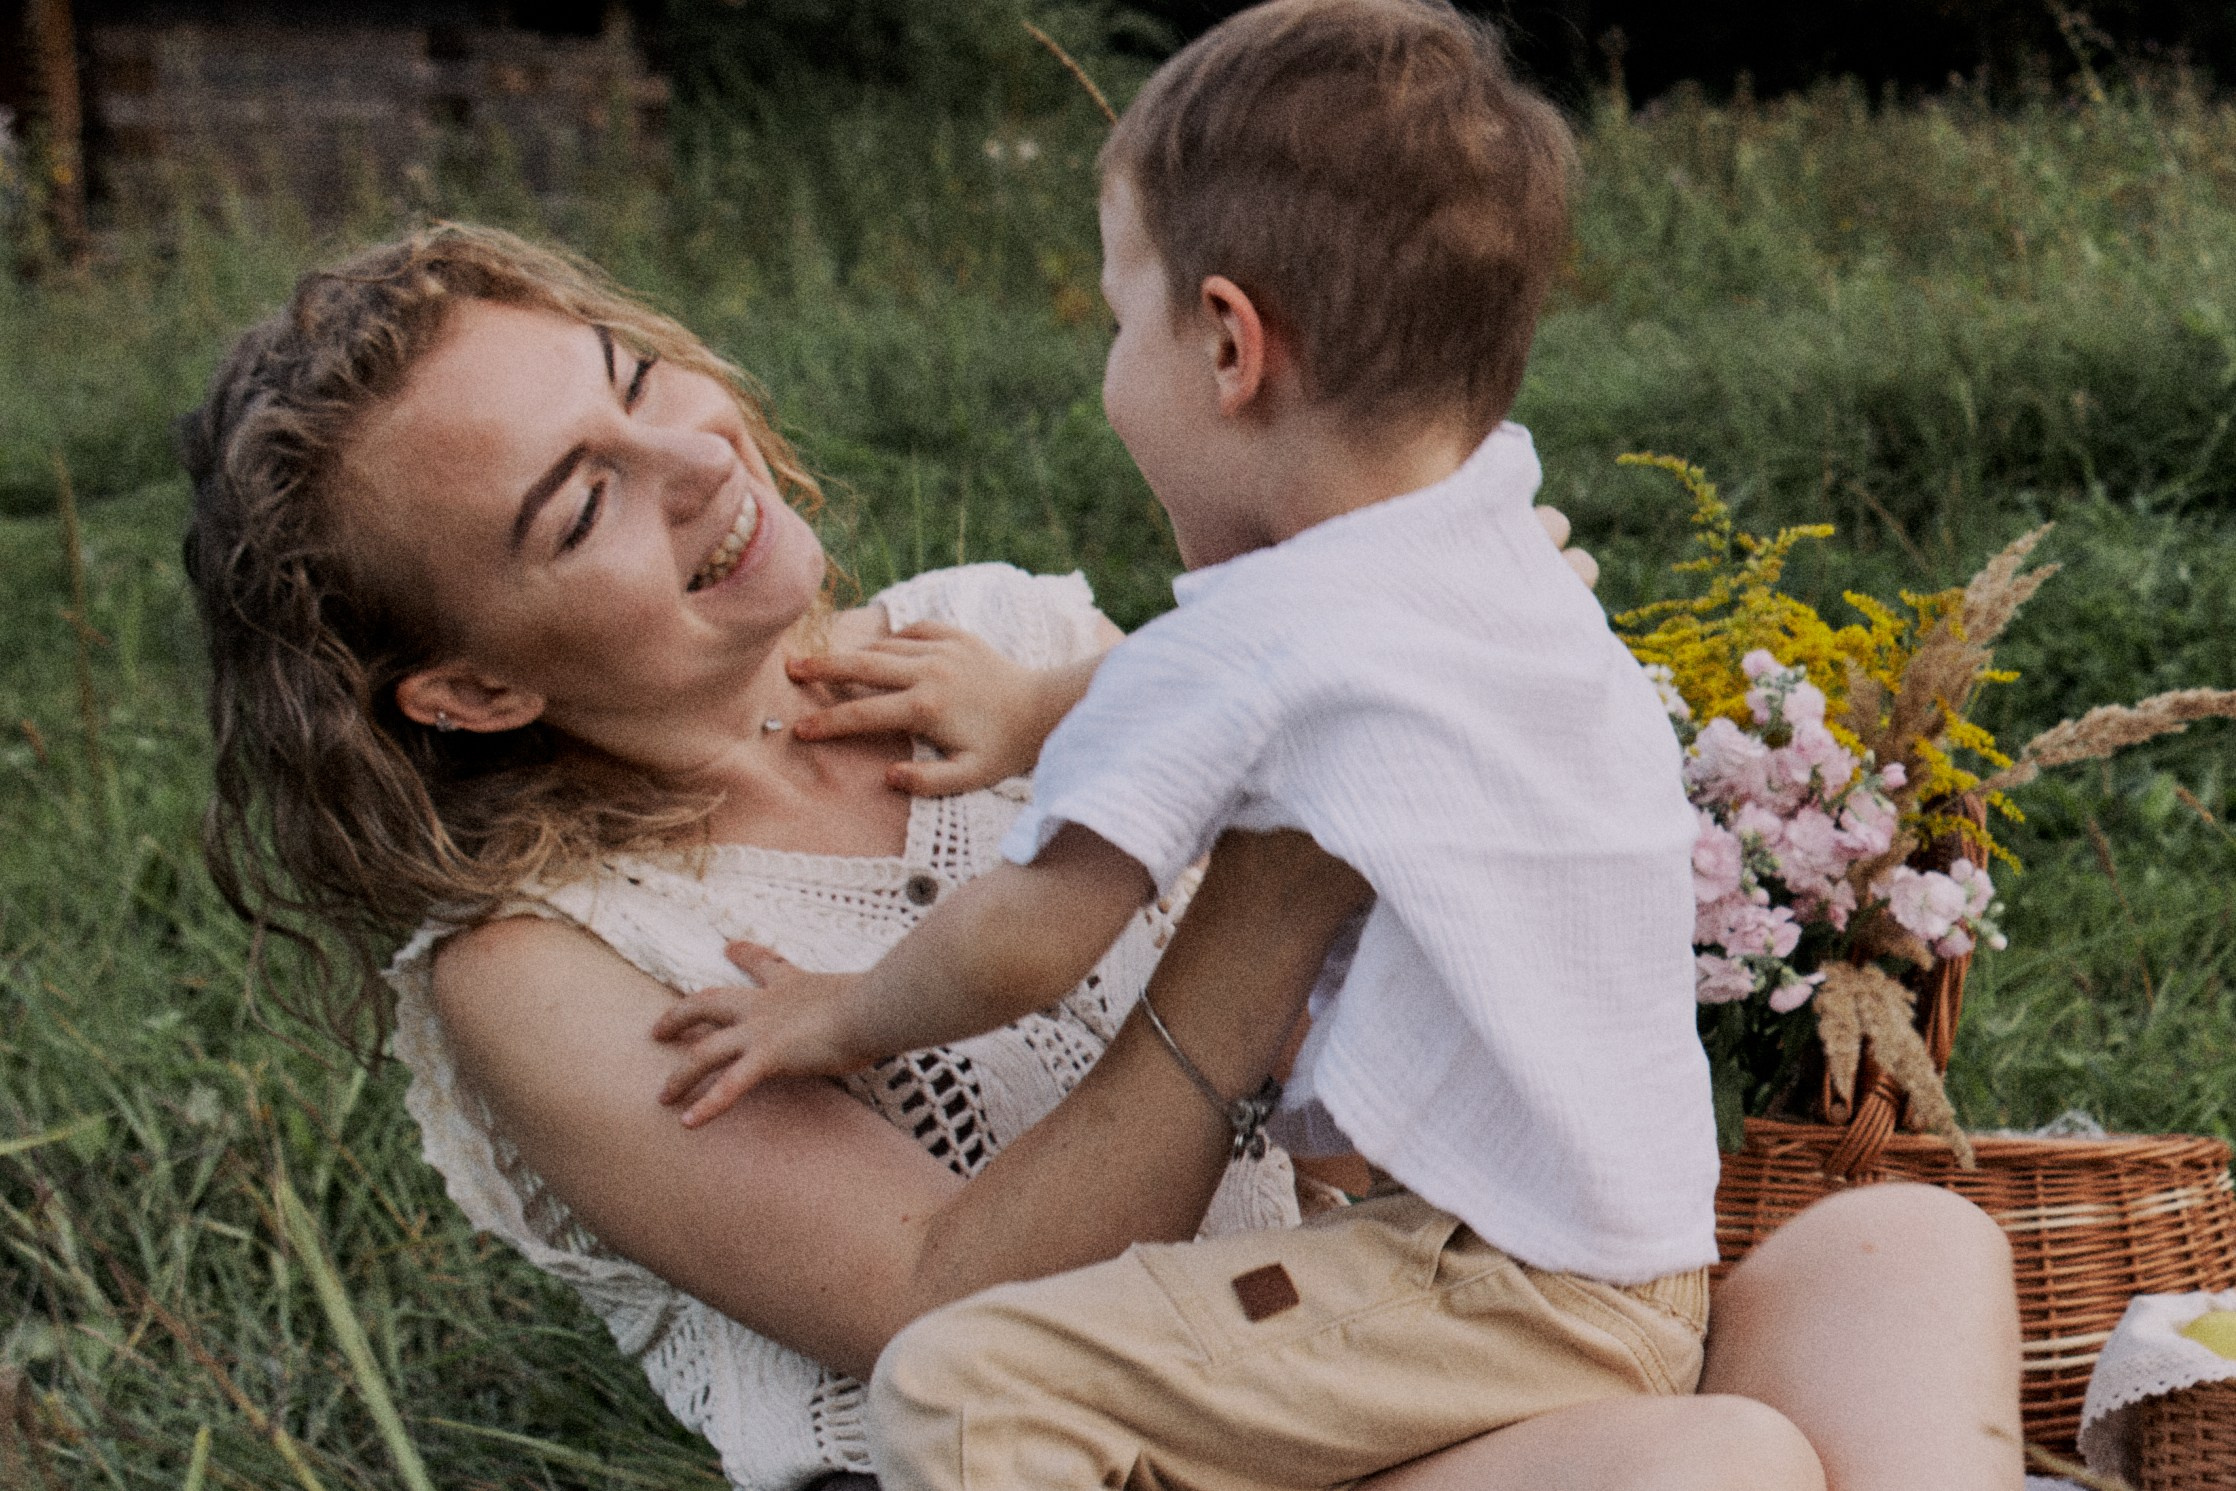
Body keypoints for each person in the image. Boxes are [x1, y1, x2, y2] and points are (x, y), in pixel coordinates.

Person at [180, 216, 2020, 1491]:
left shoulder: (991, 638)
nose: (685, 460)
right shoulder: (551, 969)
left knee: (1902, 1253)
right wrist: (1290, 866)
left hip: (1359, 1339)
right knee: (1722, 1462)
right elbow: (946, 1319)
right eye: (579, 503)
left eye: (635, 376)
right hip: (1116, 1452)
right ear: (476, 686)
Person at [639, 4, 1725, 1487]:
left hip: (1498, 1287)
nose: (1108, 368)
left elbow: (1030, 938)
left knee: (963, 1393)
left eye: (1115, 316)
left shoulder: (1262, 644)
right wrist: (1030, 711)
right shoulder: (1486, 530)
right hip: (1637, 1265)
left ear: (1227, 341)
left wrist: (837, 1019)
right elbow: (1268, 674)